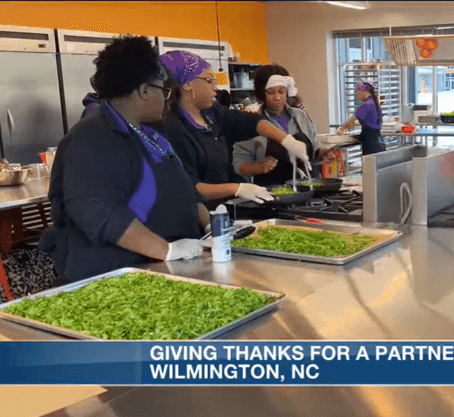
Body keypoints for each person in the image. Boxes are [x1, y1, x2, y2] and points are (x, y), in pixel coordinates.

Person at [39, 35, 210, 283]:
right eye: (162, 90)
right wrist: (167, 250)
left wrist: (212, 227)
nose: (165, 100)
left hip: (168, 270)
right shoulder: (91, 138)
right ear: (143, 90)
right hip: (119, 276)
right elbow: (98, 212)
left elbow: (185, 190)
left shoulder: (152, 132)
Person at [159, 51, 309, 206]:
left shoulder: (212, 113)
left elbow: (251, 122)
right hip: (197, 215)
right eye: (209, 80)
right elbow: (190, 187)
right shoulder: (174, 129)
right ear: (188, 84)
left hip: (224, 209)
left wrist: (286, 140)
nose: (215, 88)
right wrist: (237, 189)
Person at [232, 64, 319, 186]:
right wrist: (258, 167)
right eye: (271, 92)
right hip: (271, 193)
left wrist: (325, 154)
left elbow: (315, 152)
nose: (277, 97)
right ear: (262, 93)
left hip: (306, 188)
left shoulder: (300, 116)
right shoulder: (251, 122)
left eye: (281, 91)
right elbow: (239, 165)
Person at [336, 80, 385, 155]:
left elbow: (350, 121)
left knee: (369, 166)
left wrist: (341, 129)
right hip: (378, 141)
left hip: (371, 144)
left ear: (363, 91)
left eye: (357, 93)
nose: (357, 96)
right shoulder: (374, 103)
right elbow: (368, 120)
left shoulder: (367, 105)